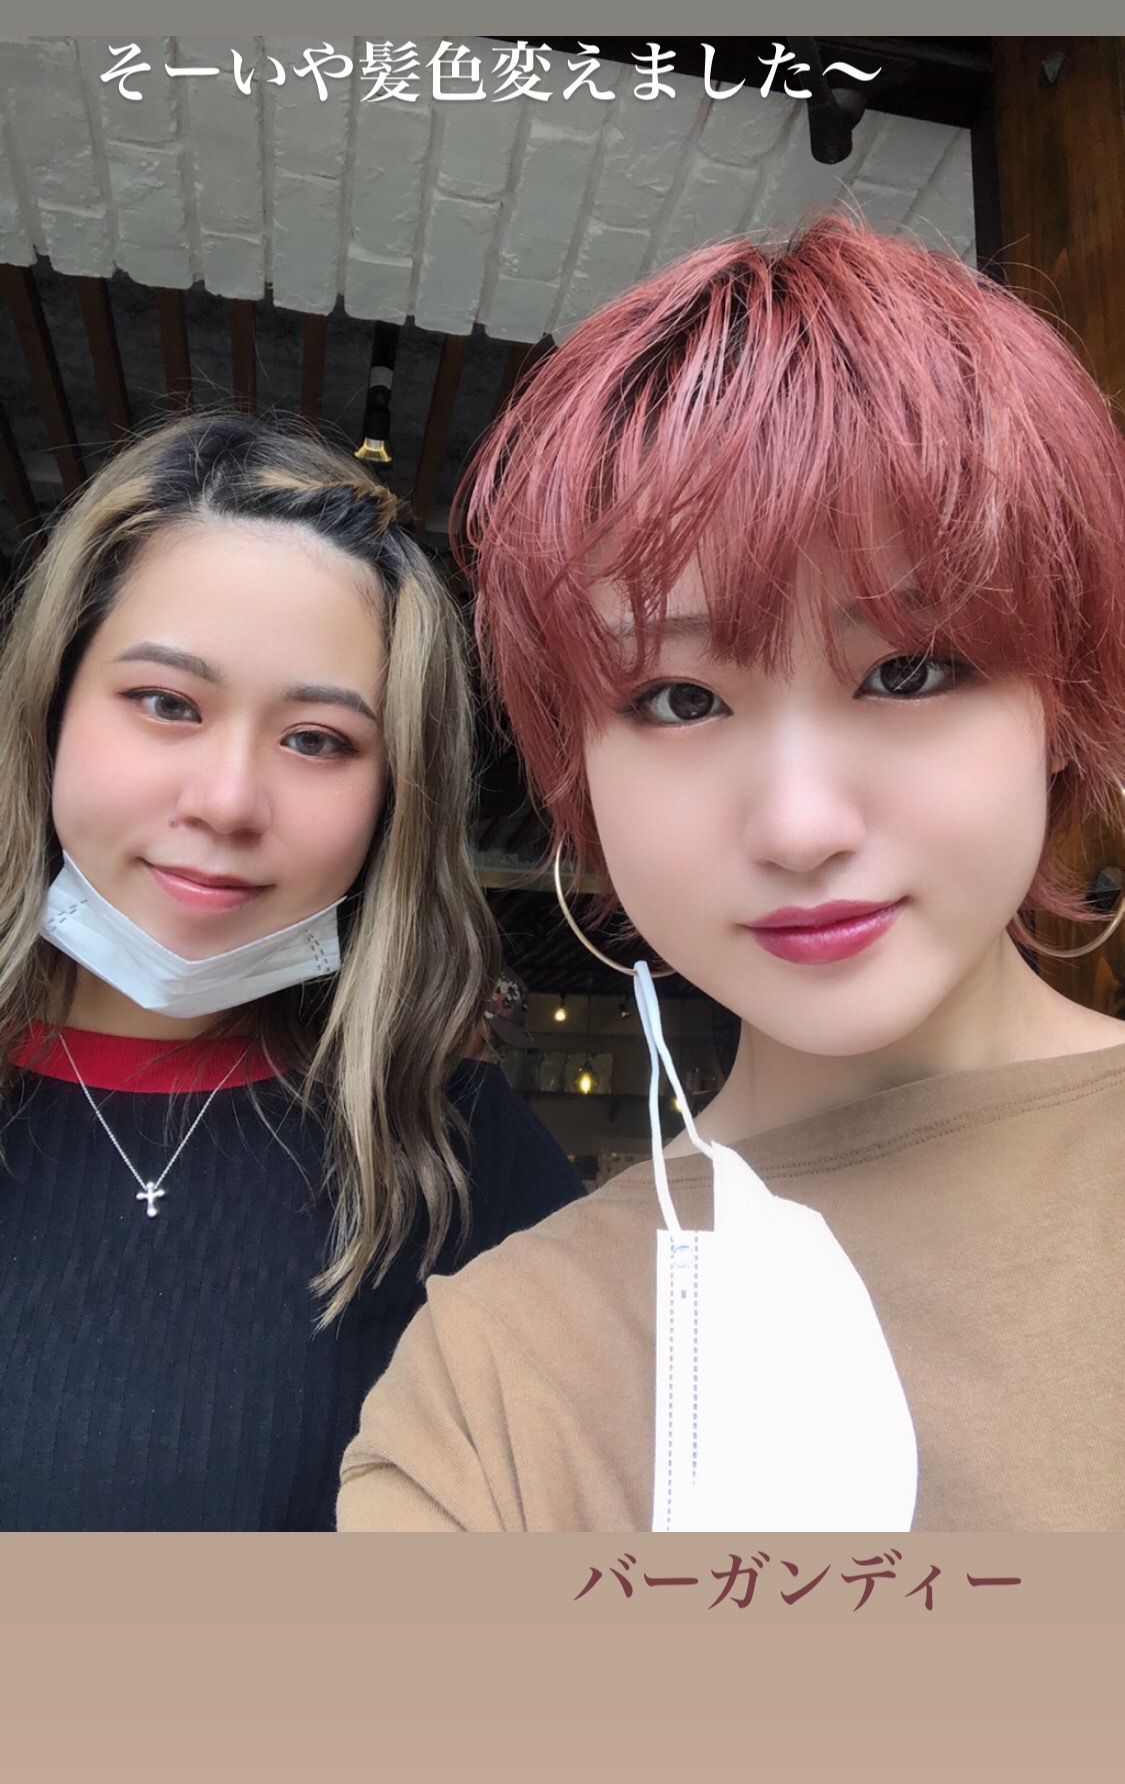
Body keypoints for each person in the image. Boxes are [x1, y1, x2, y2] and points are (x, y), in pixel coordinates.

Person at [338, 214, 1125, 1534]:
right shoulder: (496, 1389)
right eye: (680, 699)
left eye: (908, 669)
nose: (801, 826)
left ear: (1062, 697)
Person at [0, 411, 583, 1531]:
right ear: (50, 708)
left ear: (392, 799)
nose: (227, 801)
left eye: (317, 739)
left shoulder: (455, 1155)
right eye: (166, 703)